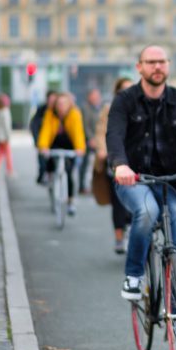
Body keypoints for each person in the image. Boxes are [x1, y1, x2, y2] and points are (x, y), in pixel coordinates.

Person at [106, 45, 176, 350]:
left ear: (168, 65)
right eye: (151, 62)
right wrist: (120, 164)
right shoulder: (125, 100)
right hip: (133, 180)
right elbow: (114, 135)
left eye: (162, 61)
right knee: (147, 212)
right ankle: (134, 275)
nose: (157, 67)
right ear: (139, 67)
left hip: (170, 183)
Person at [94, 77, 133, 254]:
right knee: (118, 201)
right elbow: (101, 132)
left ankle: (132, 228)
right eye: (123, 89)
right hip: (115, 160)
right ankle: (119, 237)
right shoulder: (108, 109)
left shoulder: (142, 107)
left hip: (136, 161)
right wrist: (103, 151)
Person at [37, 93, 86, 216]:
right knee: (48, 156)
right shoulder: (50, 113)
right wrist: (43, 146)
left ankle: (70, 201)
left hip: (70, 144)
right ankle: (49, 174)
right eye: (59, 104)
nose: (61, 106)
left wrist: (80, 148)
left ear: (69, 104)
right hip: (55, 142)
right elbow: (46, 131)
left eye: (64, 103)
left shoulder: (74, 114)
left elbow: (78, 132)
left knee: (68, 172)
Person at [78, 88, 103, 195]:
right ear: (89, 97)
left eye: (98, 96)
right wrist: (90, 139)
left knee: (98, 165)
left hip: (99, 140)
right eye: (94, 96)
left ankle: (96, 187)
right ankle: (82, 186)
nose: (97, 98)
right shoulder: (85, 108)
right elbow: (85, 125)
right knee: (85, 164)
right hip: (87, 141)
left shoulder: (100, 107)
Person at [30, 90, 57, 185]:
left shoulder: (58, 110)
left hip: (54, 140)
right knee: (42, 159)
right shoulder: (42, 110)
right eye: (50, 99)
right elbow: (34, 125)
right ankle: (42, 175)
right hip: (42, 139)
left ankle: (51, 174)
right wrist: (37, 140)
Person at [0, 93, 14, 178]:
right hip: (4, 136)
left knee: (0, 153)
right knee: (7, 154)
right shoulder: (5, 111)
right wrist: (8, 136)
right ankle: (10, 170)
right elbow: (7, 125)